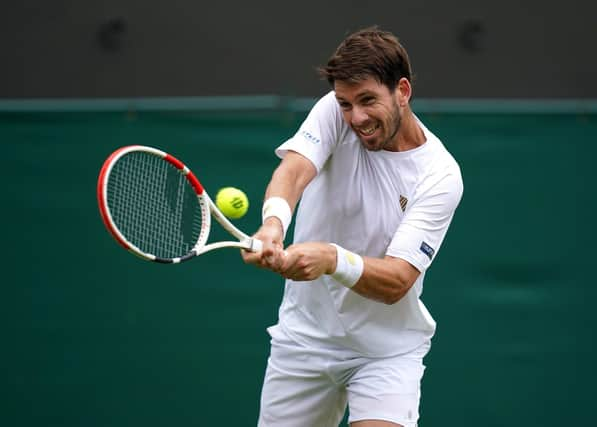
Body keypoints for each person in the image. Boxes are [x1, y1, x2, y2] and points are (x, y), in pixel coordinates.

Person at [242, 27, 463, 427]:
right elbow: (293, 171)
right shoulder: (332, 110)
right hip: (304, 341)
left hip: (386, 352)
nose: (356, 117)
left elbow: (397, 281)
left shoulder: (440, 175)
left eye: (367, 101)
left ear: (403, 91)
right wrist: (273, 223)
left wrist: (330, 258)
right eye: (346, 103)